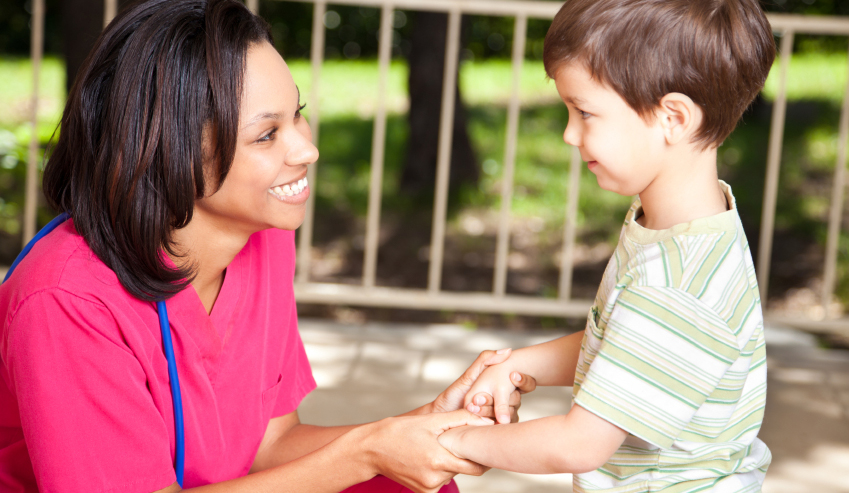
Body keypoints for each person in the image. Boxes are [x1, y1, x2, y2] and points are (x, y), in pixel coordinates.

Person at [0, 1, 538, 492]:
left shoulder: (263, 237)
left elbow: (269, 447)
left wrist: (418, 432)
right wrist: (369, 450)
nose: (308, 149)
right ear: (169, 152)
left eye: (297, 114)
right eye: (266, 135)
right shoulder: (67, 300)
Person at [436, 0, 776, 491]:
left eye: (584, 111)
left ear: (673, 118)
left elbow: (578, 444)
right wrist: (519, 364)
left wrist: (452, 442)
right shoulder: (682, 226)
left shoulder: (676, 286)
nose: (569, 134)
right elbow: (627, 348)